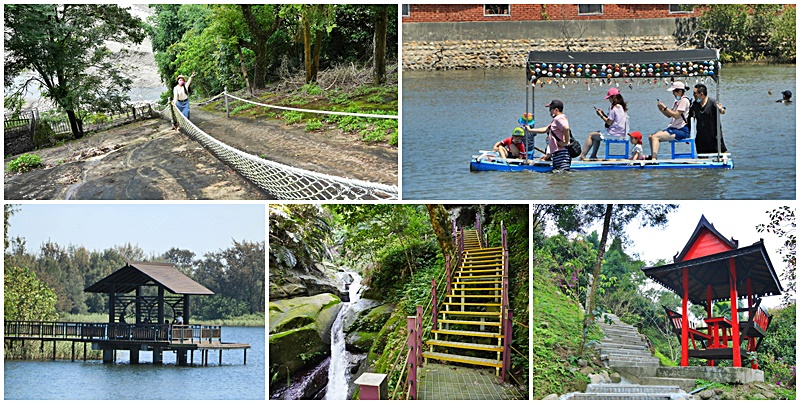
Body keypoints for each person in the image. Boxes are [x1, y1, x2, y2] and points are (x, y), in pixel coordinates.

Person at [579, 87, 628, 160]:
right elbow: (613, 120)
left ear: (613, 97)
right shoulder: (621, 107)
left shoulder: (613, 107)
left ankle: (582, 156)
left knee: (591, 135)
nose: (609, 100)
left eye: (609, 98)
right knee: (596, 135)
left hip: (614, 134)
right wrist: (603, 114)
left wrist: (601, 115)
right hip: (621, 132)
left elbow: (609, 122)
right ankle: (593, 156)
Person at [649, 81, 691, 160]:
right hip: (673, 128)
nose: (673, 93)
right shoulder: (677, 102)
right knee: (651, 136)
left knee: (655, 137)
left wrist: (665, 107)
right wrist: (661, 109)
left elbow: (676, 115)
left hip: (681, 130)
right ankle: (653, 157)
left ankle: (653, 159)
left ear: (680, 91)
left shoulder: (684, 101)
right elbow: (669, 115)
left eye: (674, 91)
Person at [526, 100, 571, 171]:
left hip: (561, 153)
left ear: (556, 110)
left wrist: (566, 142)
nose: (549, 111)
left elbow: (566, 128)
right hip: (557, 153)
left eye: (550, 109)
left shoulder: (559, 118)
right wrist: (530, 130)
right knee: (557, 176)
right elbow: (546, 129)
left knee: (562, 174)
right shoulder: (555, 120)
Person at [690, 84, 728, 154]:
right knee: (702, 159)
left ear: (701, 94)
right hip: (701, 139)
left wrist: (721, 109)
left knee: (721, 156)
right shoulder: (695, 105)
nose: (693, 95)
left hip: (715, 137)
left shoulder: (712, 102)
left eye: (695, 93)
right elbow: (690, 119)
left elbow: (722, 111)